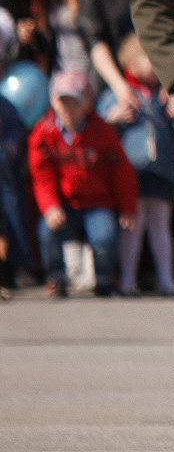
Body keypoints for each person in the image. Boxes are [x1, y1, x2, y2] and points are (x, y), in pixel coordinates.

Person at [28, 69, 136, 298]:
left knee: (105, 235)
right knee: (47, 231)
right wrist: (50, 207)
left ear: (87, 103)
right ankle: (56, 278)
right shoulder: (44, 133)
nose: (68, 109)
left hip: (97, 202)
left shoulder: (103, 132)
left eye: (74, 102)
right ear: (53, 102)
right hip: (64, 203)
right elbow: (42, 176)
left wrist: (128, 207)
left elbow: (122, 172)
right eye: (62, 102)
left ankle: (105, 279)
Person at [112, 36, 174, 297]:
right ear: (132, 63)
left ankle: (167, 280)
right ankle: (128, 280)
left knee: (161, 226)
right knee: (133, 225)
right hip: (132, 171)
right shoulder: (119, 94)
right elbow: (102, 129)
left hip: (161, 170)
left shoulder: (164, 95)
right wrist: (113, 118)